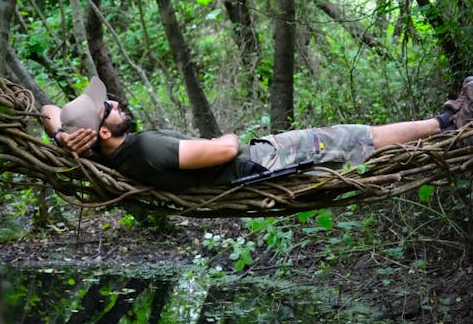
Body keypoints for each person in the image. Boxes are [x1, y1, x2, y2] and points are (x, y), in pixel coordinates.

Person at [41, 76, 473, 191]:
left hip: (258, 164)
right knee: (359, 136)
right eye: (108, 107)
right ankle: (449, 124)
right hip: (258, 164)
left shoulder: (108, 154)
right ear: (101, 132)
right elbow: (223, 153)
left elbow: (47, 110)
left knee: (353, 136)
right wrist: (226, 137)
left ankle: (445, 122)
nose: (116, 103)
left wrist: (61, 132)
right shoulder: (147, 148)